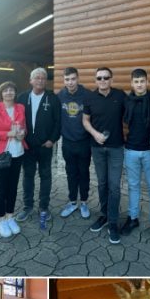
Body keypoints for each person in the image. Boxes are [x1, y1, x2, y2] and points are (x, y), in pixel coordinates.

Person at [82, 67, 128, 244]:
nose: (102, 80)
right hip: (97, 148)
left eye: (106, 77)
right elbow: (85, 120)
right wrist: (95, 134)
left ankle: (114, 222)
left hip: (116, 147)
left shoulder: (120, 95)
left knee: (114, 186)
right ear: (95, 80)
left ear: (111, 79)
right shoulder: (90, 98)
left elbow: (131, 113)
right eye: (99, 78)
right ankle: (104, 215)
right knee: (102, 183)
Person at [118, 69, 150, 240]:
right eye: (136, 82)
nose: (139, 84)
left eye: (142, 81)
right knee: (133, 186)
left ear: (147, 81)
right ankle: (133, 218)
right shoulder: (127, 101)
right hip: (131, 150)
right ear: (132, 83)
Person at [16, 67, 62, 229]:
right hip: (27, 146)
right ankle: (28, 206)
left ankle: (44, 207)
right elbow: (15, 119)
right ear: (31, 81)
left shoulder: (52, 98)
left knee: (45, 176)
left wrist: (52, 139)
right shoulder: (22, 98)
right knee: (28, 176)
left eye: (43, 78)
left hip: (45, 145)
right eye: (37, 78)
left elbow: (58, 121)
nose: (40, 80)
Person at [0, 81, 27, 239]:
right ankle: (1, 219)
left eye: (11, 90)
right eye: (6, 90)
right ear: (1, 93)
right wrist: (8, 134)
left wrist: (22, 134)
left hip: (17, 152)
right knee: (0, 188)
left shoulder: (20, 108)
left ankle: (10, 216)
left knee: (12, 187)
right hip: (0, 154)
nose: (9, 93)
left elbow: (23, 127)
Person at [58, 67, 92, 219]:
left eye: (72, 79)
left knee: (84, 173)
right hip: (67, 142)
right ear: (63, 80)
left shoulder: (88, 95)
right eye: (67, 79)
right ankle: (72, 202)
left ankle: (84, 202)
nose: (70, 82)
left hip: (84, 141)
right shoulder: (59, 96)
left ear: (78, 78)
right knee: (71, 173)